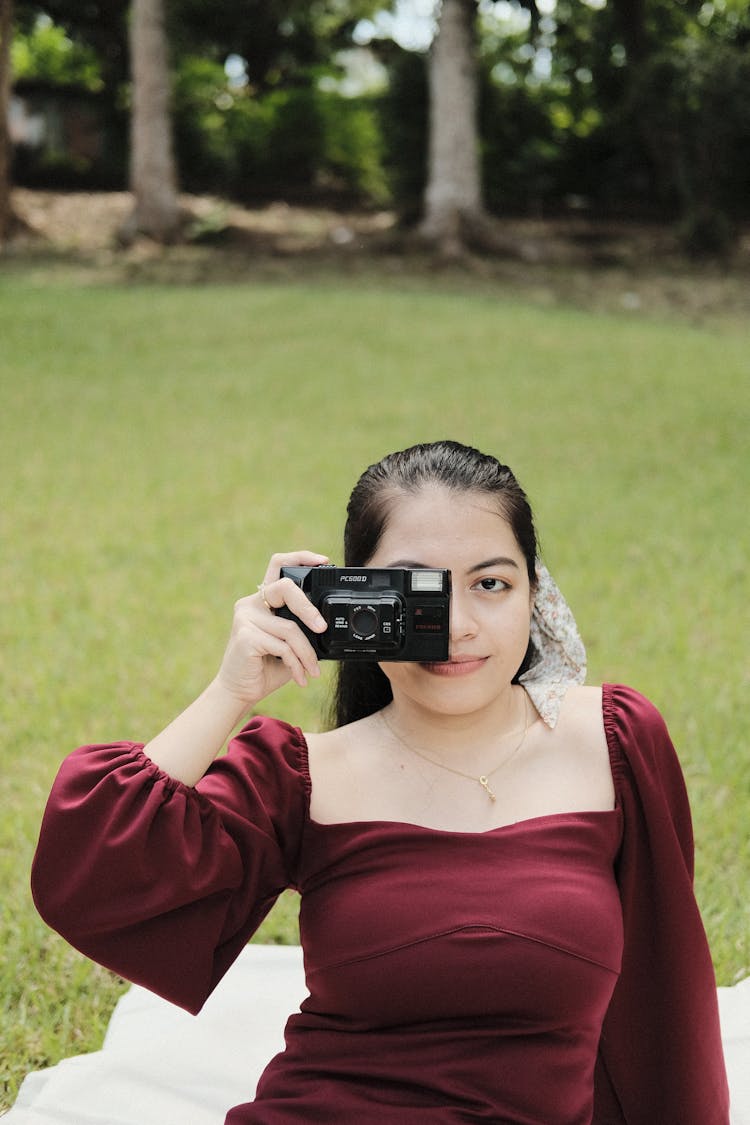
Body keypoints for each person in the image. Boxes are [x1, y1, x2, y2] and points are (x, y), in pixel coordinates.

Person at [31, 440, 729, 1125]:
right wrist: (229, 690)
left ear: (535, 596)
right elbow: (91, 873)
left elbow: (663, 999)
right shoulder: (299, 775)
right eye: (418, 592)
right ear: (355, 599)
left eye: (491, 583)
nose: (456, 627)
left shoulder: (612, 740)